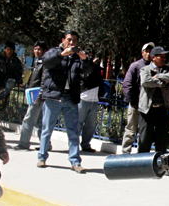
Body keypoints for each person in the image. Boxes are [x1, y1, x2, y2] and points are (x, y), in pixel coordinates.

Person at [37, 31, 94, 173]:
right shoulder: (54, 52)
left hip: (70, 97)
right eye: (69, 40)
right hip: (54, 97)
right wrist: (62, 54)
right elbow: (47, 62)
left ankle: (75, 161)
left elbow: (88, 70)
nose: (71, 43)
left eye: (74, 40)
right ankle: (42, 157)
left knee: (73, 131)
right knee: (47, 129)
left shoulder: (77, 57)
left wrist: (85, 59)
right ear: (63, 40)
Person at [137, 46, 169, 154]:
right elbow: (145, 81)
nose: (164, 59)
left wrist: (159, 75)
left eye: (165, 56)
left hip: (162, 109)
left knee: (161, 139)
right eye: (161, 56)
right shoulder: (145, 69)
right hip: (147, 110)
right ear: (153, 57)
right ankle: (142, 162)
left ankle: (160, 162)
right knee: (144, 138)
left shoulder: (168, 69)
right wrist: (163, 82)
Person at [14, 40, 48, 150]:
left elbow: (43, 81)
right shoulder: (38, 62)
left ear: (44, 51)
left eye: (39, 49)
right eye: (35, 49)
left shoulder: (44, 63)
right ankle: (45, 144)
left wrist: (40, 95)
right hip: (35, 94)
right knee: (39, 121)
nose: (36, 51)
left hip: (37, 95)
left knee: (28, 119)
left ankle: (24, 143)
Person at [121, 42, 153, 154]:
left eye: (150, 52)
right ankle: (125, 152)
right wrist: (133, 100)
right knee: (131, 129)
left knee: (144, 132)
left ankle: (141, 155)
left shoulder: (155, 67)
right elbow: (127, 84)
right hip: (136, 104)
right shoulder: (135, 65)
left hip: (148, 106)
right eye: (146, 51)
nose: (148, 54)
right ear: (142, 53)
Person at [78, 56, 104, 152]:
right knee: (78, 123)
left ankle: (86, 144)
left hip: (94, 100)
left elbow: (100, 81)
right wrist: (92, 65)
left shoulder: (97, 69)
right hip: (83, 98)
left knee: (90, 125)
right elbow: (85, 78)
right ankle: (73, 145)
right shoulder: (84, 68)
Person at [0, 41, 24, 110]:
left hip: (9, 80)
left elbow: (18, 72)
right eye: (8, 49)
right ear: (5, 49)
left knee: (11, 83)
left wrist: (19, 81)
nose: (9, 51)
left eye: (11, 50)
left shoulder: (16, 61)